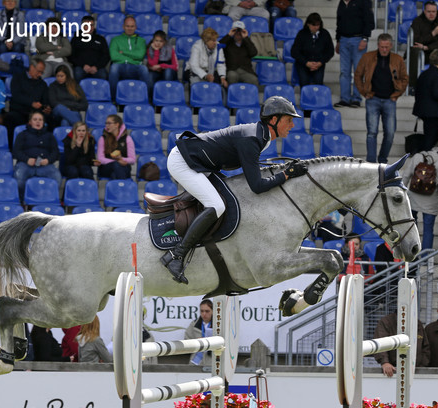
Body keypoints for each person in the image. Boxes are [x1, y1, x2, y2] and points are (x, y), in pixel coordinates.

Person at [160, 96, 305, 284]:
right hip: (184, 162)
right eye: (289, 120)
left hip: (202, 164)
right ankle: (176, 256)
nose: (292, 125)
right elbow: (258, 186)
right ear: (274, 120)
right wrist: (286, 175)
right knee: (216, 205)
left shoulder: (262, 136)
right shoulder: (253, 138)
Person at [354, 33, 408, 164]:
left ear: (391, 46)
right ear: (378, 45)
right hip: (372, 98)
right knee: (371, 132)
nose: (384, 49)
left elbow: (404, 78)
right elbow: (358, 75)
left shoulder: (398, 59)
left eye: (387, 47)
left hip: (390, 99)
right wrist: (364, 92)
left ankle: (383, 159)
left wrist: (397, 94)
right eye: (382, 47)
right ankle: (371, 161)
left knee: (390, 133)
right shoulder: (367, 57)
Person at [400, 148, 438, 251]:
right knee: (428, 229)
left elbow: (406, 175)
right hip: (431, 200)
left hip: (413, 196)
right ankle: (426, 257)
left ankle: (412, 251)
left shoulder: (417, 156)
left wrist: (401, 193)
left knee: (411, 227)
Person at [13, 111, 62, 203]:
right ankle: (23, 202)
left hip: (45, 166)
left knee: (57, 177)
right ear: (30, 122)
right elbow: (16, 151)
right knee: (19, 179)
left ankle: (48, 201)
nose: (38, 122)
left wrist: (48, 160)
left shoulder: (49, 136)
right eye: (35, 119)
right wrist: (27, 159)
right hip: (26, 164)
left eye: (40, 120)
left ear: (43, 122)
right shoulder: (22, 135)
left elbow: (55, 152)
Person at [334, 0, 374, 108]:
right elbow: (339, 22)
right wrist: (338, 40)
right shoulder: (341, 3)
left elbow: (369, 20)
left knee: (358, 71)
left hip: (358, 39)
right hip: (343, 40)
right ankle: (344, 99)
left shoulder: (363, 2)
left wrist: (365, 38)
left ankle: (356, 98)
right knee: (344, 71)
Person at [5, 58, 51, 147]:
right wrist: (31, 103)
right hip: (19, 111)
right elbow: (16, 96)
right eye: (39, 71)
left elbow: (45, 101)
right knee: (10, 118)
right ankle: (11, 148)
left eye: (42, 72)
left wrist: (47, 108)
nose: (40, 74)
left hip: (36, 113)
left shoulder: (42, 84)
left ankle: (44, 148)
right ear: (31, 67)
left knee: (51, 119)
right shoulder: (18, 77)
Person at [373, 311, 429, 377]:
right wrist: (385, 362)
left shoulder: (417, 323)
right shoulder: (386, 322)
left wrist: (421, 367)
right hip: (392, 372)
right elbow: (381, 343)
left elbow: (425, 347)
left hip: (415, 372)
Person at [413, 49, 438, 153]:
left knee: (429, 135)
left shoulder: (424, 74)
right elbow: (437, 94)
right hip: (432, 111)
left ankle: (422, 153)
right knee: (431, 137)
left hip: (422, 109)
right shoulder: (437, 75)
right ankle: (424, 157)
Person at [108, 15, 149, 99]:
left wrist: (123, 52)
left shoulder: (141, 41)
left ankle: (146, 98)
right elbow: (114, 56)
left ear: (135, 27)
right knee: (114, 68)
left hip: (136, 67)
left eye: (132, 26)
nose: (130, 28)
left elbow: (140, 56)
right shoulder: (115, 40)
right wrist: (132, 58)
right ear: (123, 27)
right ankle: (113, 99)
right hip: (120, 66)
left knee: (144, 69)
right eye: (127, 26)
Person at [290, 13, 334, 88]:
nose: (316, 27)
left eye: (318, 25)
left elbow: (330, 51)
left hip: (319, 64)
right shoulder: (302, 34)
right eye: (314, 25)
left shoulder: (325, 34)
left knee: (318, 84)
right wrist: (306, 62)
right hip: (303, 63)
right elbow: (294, 51)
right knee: (304, 83)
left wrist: (321, 62)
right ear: (308, 24)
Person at [69, 15, 109, 82]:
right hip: (81, 67)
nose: (89, 28)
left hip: (97, 68)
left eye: (91, 25)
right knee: (77, 74)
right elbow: (71, 55)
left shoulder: (100, 39)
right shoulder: (76, 39)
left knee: (103, 75)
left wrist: (96, 66)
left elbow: (106, 55)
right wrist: (83, 65)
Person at [96, 115, 135, 180]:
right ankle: (124, 188)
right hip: (106, 168)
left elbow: (132, 160)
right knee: (116, 165)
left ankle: (119, 188)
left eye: (109, 123)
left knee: (114, 174)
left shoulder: (127, 138)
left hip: (123, 167)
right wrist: (117, 161)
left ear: (117, 125)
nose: (106, 125)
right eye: (106, 123)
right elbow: (100, 158)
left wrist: (121, 159)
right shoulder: (102, 138)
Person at [220, 22, 258, 86]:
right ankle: (231, 95)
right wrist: (229, 35)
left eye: (240, 31)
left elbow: (254, 53)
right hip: (232, 70)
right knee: (232, 76)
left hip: (246, 70)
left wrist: (246, 38)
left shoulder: (247, 42)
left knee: (253, 80)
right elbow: (219, 47)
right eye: (235, 30)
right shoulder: (228, 42)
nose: (238, 33)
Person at [187, 299, 214, 365]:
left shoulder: (219, 325)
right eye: (202, 311)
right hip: (196, 361)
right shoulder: (194, 324)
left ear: (213, 311)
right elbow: (186, 341)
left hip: (212, 362)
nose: (204, 314)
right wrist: (196, 342)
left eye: (207, 311)